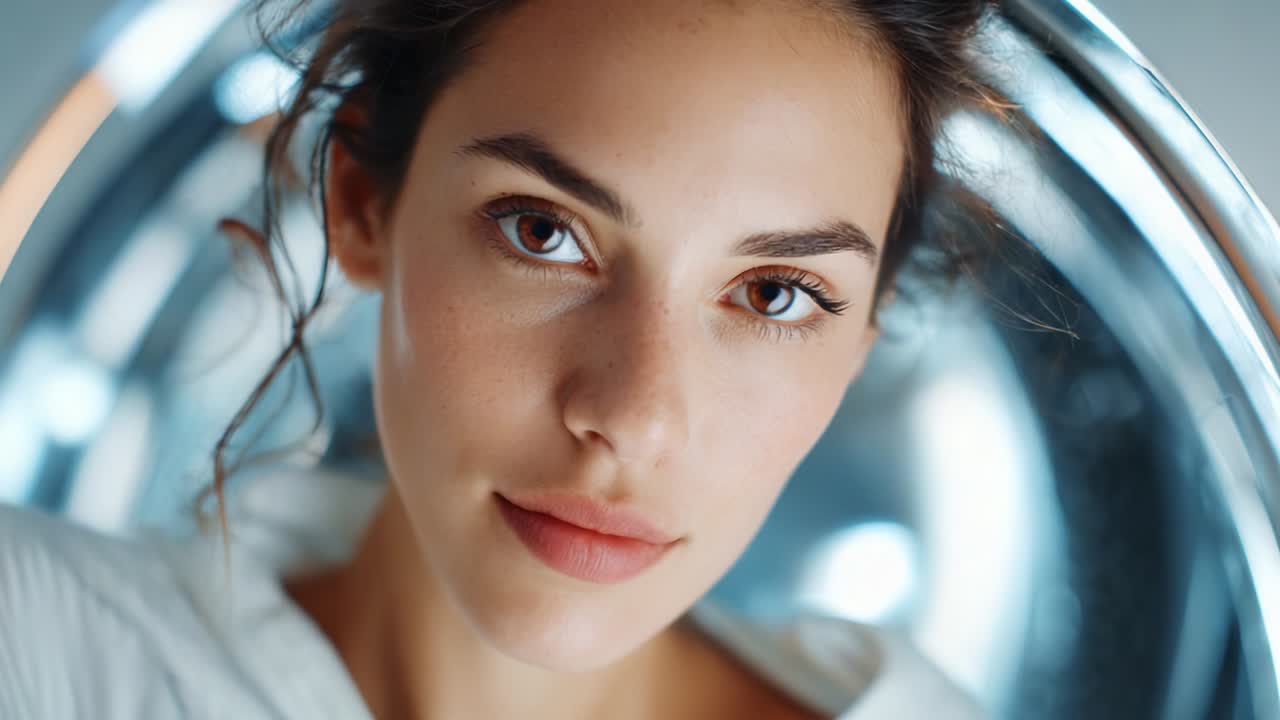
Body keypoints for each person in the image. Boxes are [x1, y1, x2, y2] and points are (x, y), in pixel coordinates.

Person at [1, 0, 1019, 717]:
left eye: (773, 295)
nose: (631, 416)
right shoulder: (38, 653)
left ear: (858, 348)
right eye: (541, 232)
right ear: (362, 208)